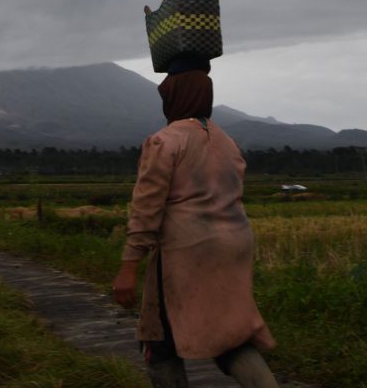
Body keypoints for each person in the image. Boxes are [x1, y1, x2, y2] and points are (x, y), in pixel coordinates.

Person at [112, 65, 278, 388]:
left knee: (157, 339)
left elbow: (147, 209)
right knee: (230, 336)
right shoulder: (228, 143)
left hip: (186, 251)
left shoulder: (164, 142)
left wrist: (128, 267)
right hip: (234, 248)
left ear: (176, 98)